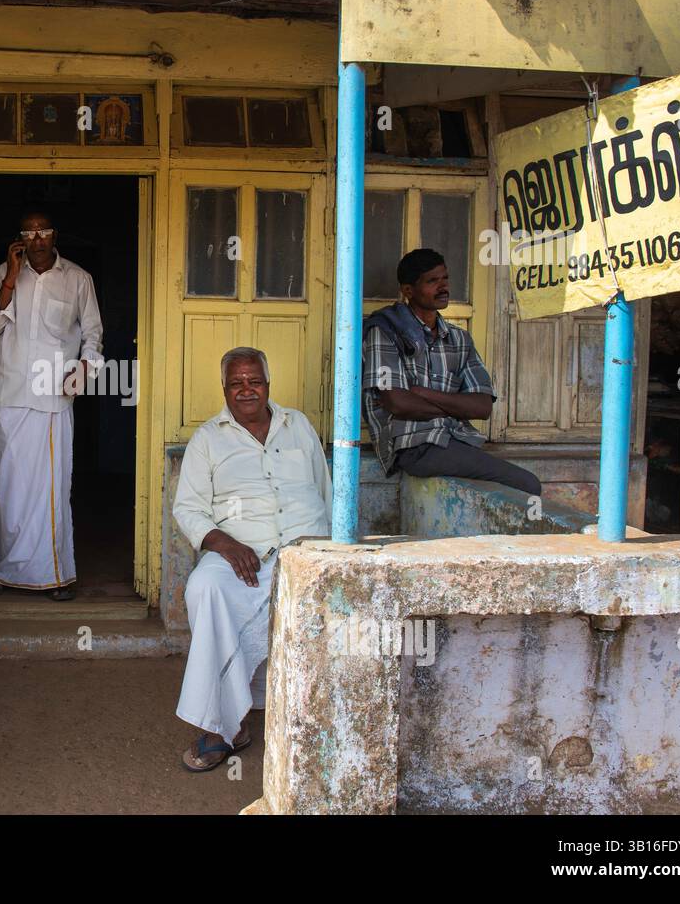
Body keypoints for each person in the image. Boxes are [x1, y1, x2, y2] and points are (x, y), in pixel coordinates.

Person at [172, 347, 331, 772]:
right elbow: (187, 508)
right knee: (205, 587)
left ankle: (259, 718)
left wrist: (332, 545)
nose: (246, 390)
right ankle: (223, 723)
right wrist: (224, 543)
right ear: (224, 389)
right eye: (237, 383)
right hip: (239, 549)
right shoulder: (208, 438)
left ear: (267, 385)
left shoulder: (298, 425)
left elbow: (325, 487)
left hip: (305, 546)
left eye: (254, 381)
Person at [0, 210, 104, 601]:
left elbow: (93, 334)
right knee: (7, 487)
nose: (37, 239)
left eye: (43, 232)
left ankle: (55, 575)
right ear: (20, 239)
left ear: (54, 235)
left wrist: (84, 369)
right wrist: (12, 278)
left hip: (52, 397)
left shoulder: (78, 279)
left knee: (50, 489)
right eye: (29, 234)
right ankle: (5, 571)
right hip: (9, 395)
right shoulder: (4, 274)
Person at [362, 248, 541, 496]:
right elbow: (397, 402)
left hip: (455, 439)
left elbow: (482, 408)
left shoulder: (459, 339)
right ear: (408, 291)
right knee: (528, 484)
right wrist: (456, 407)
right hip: (413, 445)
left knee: (505, 487)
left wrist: (424, 394)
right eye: (432, 281)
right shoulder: (385, 332)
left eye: (445, 279)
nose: (443, 287)